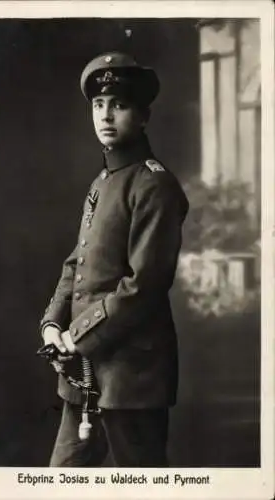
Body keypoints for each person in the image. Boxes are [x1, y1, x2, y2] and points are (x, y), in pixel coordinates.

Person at [40, 52, 189, 467]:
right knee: (61, 481)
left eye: (119, 105)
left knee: (140, 485)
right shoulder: (102, 182)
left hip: (132, 377)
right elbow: (77, 262)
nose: (106, 115)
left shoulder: (154, 185)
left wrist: (77, 335)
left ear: (143, 115)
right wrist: (54, 323)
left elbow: (144, 285)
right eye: (98, 105)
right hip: (81, 374)